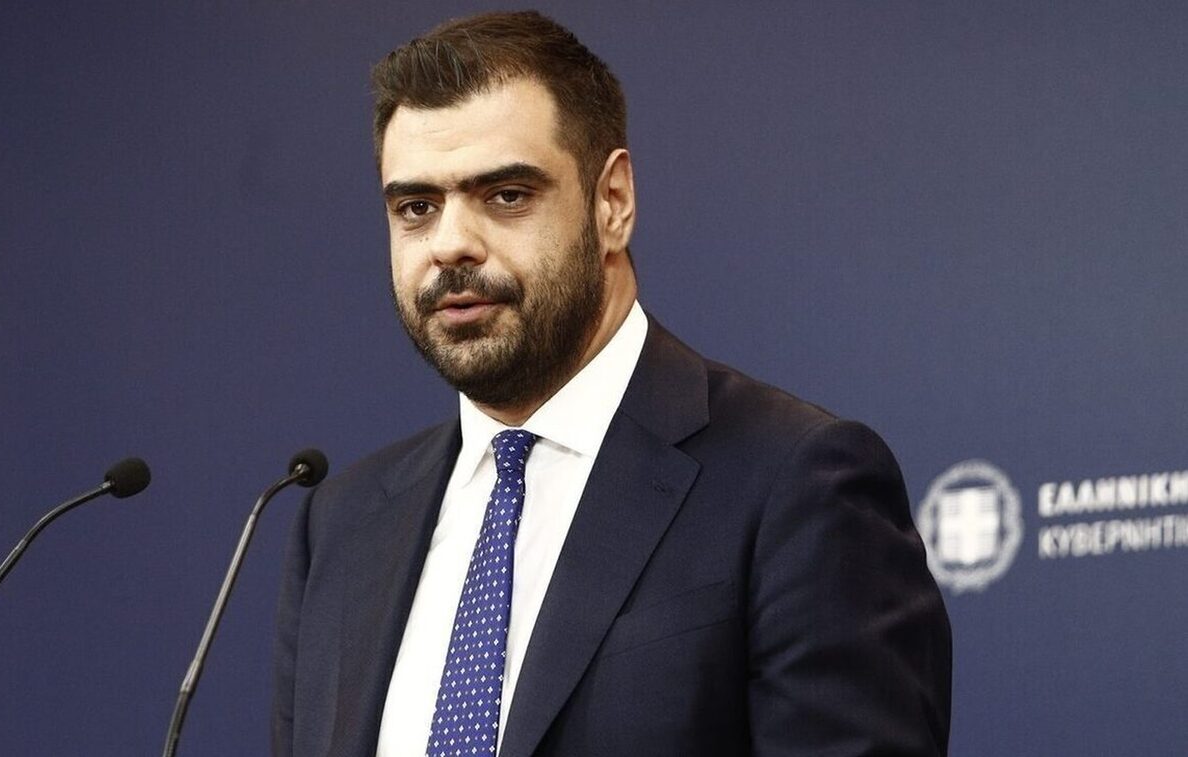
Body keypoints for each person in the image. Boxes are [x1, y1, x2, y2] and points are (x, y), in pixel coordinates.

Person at [272, 11, 951, 757]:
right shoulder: (339, 527)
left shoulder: (796, 484)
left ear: (613, 203)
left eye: (507, 195)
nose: (451, 243)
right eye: (416, 208)